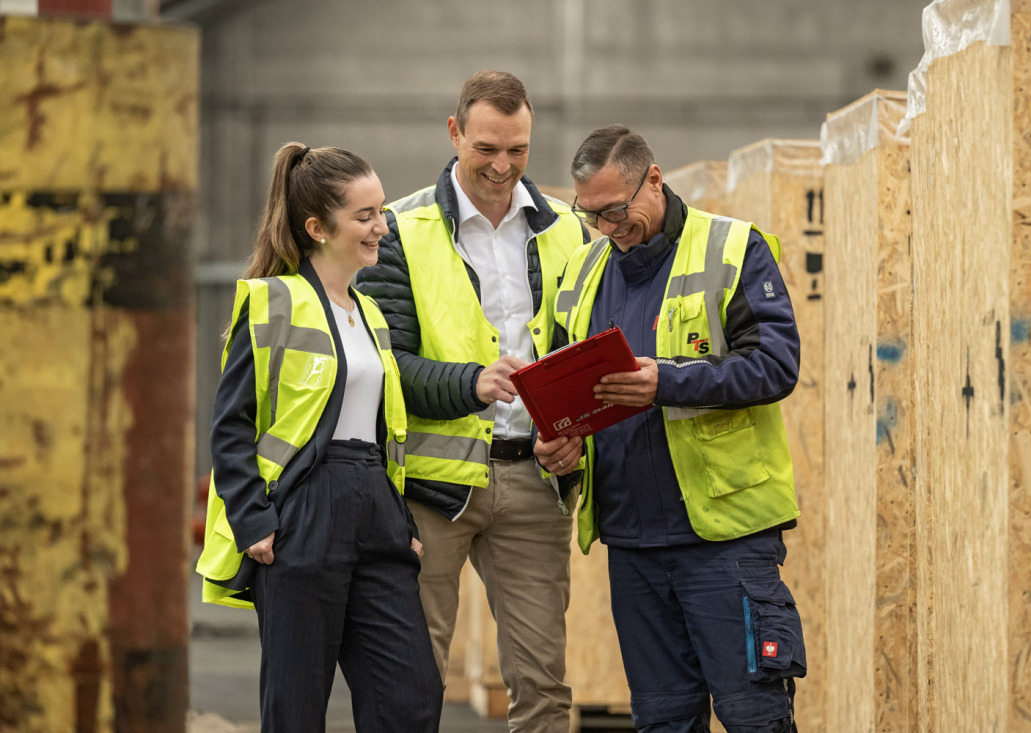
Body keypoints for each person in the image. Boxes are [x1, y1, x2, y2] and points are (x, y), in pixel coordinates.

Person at [535, 125, 806, 732]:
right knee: (662, 722)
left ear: (653, 179)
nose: (606, 228)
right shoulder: (581, 275)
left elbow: (775, 365)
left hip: (725, 539)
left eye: (616, 210)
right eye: (591, 215)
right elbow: (560, 392)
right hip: (632, 544)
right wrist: (559, 448)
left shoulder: (732, 248)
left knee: (753, 714)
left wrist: (667, 382)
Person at [355, 70, 588, 732]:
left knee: (543, 684)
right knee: (412, 680)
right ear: (455, 132)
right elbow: (385, 364)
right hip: (431, 488)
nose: (502, 165)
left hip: (535, 480)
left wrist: (573, 436)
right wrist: (472, 382)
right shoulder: (398, 229)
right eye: (487, 147)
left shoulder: (568, 230)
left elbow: (581, 353)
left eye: (517, 149)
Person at [195, 142, 443, 732]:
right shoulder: (271, 303)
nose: (381, 226)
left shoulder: (370, 312)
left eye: (380, 211)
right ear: (317, 227)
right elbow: (231, 428)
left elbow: (382, 430)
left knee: (410, 696)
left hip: (375, 513)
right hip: (302, 513)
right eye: (365, 216)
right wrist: (255, 521)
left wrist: (400, 524)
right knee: (296, 705)